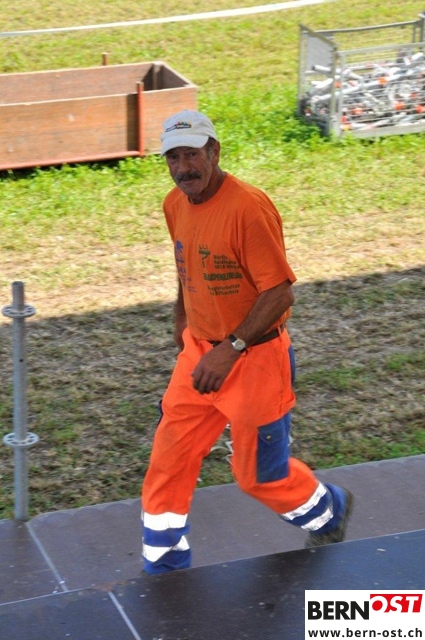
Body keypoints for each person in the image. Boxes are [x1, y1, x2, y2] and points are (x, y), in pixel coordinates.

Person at [140, 109, 354, 574]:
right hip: (200, 353)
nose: (183, 168)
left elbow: (279, 293)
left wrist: (230, 348)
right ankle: (164, 568)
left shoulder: (248, 208)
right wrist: (183, 323)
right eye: (173, 158)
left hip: (253, 358)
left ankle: (327, 509)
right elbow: (186, 266)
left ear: (214, 151)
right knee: (168, 460)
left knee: (258, 476)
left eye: (192, 155)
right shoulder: (175, 204)